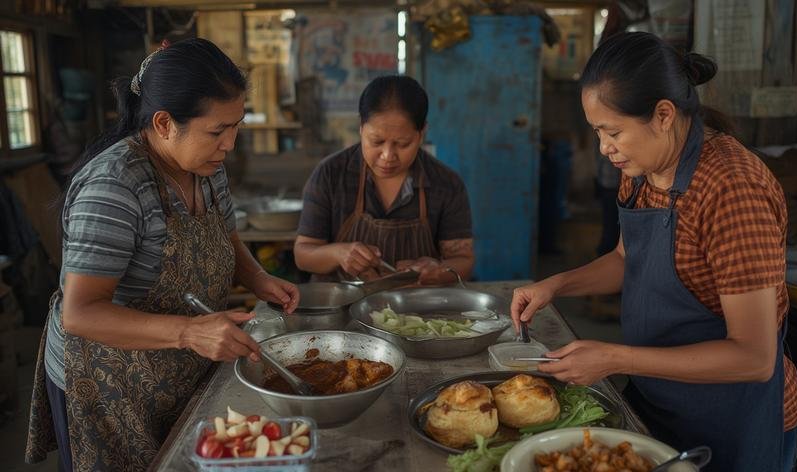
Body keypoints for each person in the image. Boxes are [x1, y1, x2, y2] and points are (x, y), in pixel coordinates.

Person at [510, 32, 797, 472]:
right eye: (597, 132)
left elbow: (754, 357)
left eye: (613, 131)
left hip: (734, 421)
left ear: (663, 114)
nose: (604, 147)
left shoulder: (732, 189)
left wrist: (615, 357)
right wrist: (557, 284)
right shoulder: (644, 168)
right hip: (659, 404)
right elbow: (627, 259)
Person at [25, 38, 299, 472]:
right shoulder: (114, 187)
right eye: (216, 131)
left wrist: (259, 279)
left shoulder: (207, 168)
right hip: (106, 380)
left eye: (236, 126)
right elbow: (80, 313)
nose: (229, 143)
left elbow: (226, 236)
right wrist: (191, 333)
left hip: (175, 364)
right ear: (165, 123)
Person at [294, 75, 474, 285]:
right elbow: (303, 255)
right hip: (341, 305)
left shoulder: (446, 183)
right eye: (376, 141)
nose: (388, 155)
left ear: (422, 133)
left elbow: (463, 262)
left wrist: (438, 271)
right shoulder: (330, 174)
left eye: (403, 143)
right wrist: (339, 254)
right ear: (361, 128)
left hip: (415, 310)